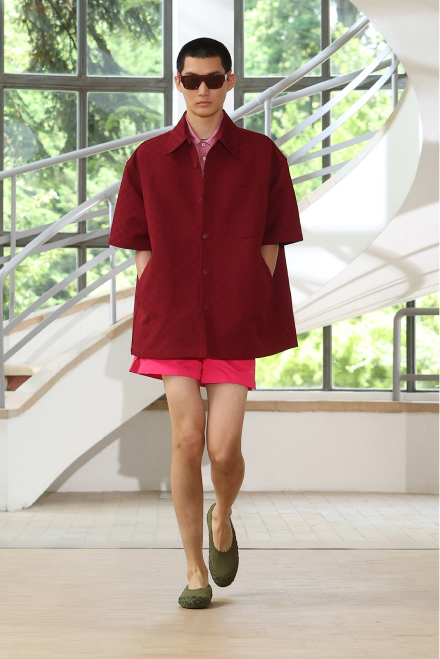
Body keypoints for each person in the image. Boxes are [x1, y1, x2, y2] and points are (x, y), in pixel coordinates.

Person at [109, 37, 303, 609]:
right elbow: (136, 238)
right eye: (191, 80)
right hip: (172, 317)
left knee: (222, 450)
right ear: (178, 83)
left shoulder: (263, 156)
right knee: (187, 437)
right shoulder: (148, 159)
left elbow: (275, 235)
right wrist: (153, 281)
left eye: (213, 80)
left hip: (233, 318)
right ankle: (195, 570)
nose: (202, 90)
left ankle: (224, 515)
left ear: (229, 81)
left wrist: (253, 285)